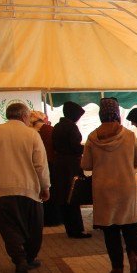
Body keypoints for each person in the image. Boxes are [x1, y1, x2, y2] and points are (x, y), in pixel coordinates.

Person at [0, 102, 50, 273]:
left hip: (2, 189)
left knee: (9, 227)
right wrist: (45, 187)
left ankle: (19, 259)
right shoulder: (32, 135)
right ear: (24, 116)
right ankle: (29, 258)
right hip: (29, 189)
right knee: (33, 227)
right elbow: (40, 165)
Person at [82, 98, 137, 273]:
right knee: (130, 225)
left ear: (101, 115)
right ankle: (133, 256)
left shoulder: (92, 137)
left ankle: (117, 268)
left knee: (110, 229)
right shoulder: (129, 135)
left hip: (103, 189)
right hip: (126, 186)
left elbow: (85, 164)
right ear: (117, 113)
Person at [50, 101, 91, 238]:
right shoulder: (71, 127)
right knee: (74, 197)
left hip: (59, 165)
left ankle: (70, 229)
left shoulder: (57, 126)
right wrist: (87, 148)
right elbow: (75, 147)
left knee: (64, 197)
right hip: (70, 165)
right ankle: (77, 230)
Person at [30, 110, 61, 227]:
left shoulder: (29, 131)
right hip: (50, 163)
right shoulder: (49, 130)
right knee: (51, 193)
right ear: (42, 119)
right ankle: (52, 219)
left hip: (33, 165)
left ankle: (40, 218)